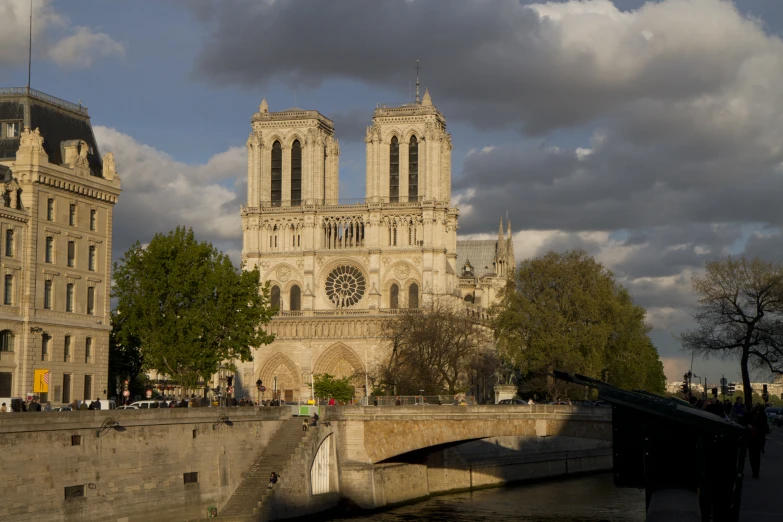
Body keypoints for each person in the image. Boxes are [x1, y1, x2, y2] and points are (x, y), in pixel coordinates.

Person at [745, 404, 770, 478]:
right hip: (759, 438)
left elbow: (744, 422)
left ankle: (754, 470)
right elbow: (765, 428)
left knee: (752, 455)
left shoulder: (749, 414)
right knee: (757, 456)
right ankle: (756, 472)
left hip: (751, 438)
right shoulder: (763, 416)